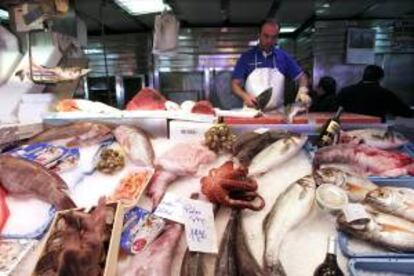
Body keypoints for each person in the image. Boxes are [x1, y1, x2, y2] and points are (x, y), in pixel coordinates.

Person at [231, 19, 311, 111]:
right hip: (252, 112)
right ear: (259, 35)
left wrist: (303, 91)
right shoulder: (246, 57)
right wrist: (245, 96)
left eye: (273, 37)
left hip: (278, 113)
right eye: (266, 36)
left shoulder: (283, 57)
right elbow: (234, 85)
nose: (269, 41)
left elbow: (302, 77)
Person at [338, 65, 413, 121]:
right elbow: (403, 111)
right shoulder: (385, 94)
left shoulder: (346, 91)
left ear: (363, 76)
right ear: (380, 78)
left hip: (349, 128)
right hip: (376, 130)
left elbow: (336, 110)